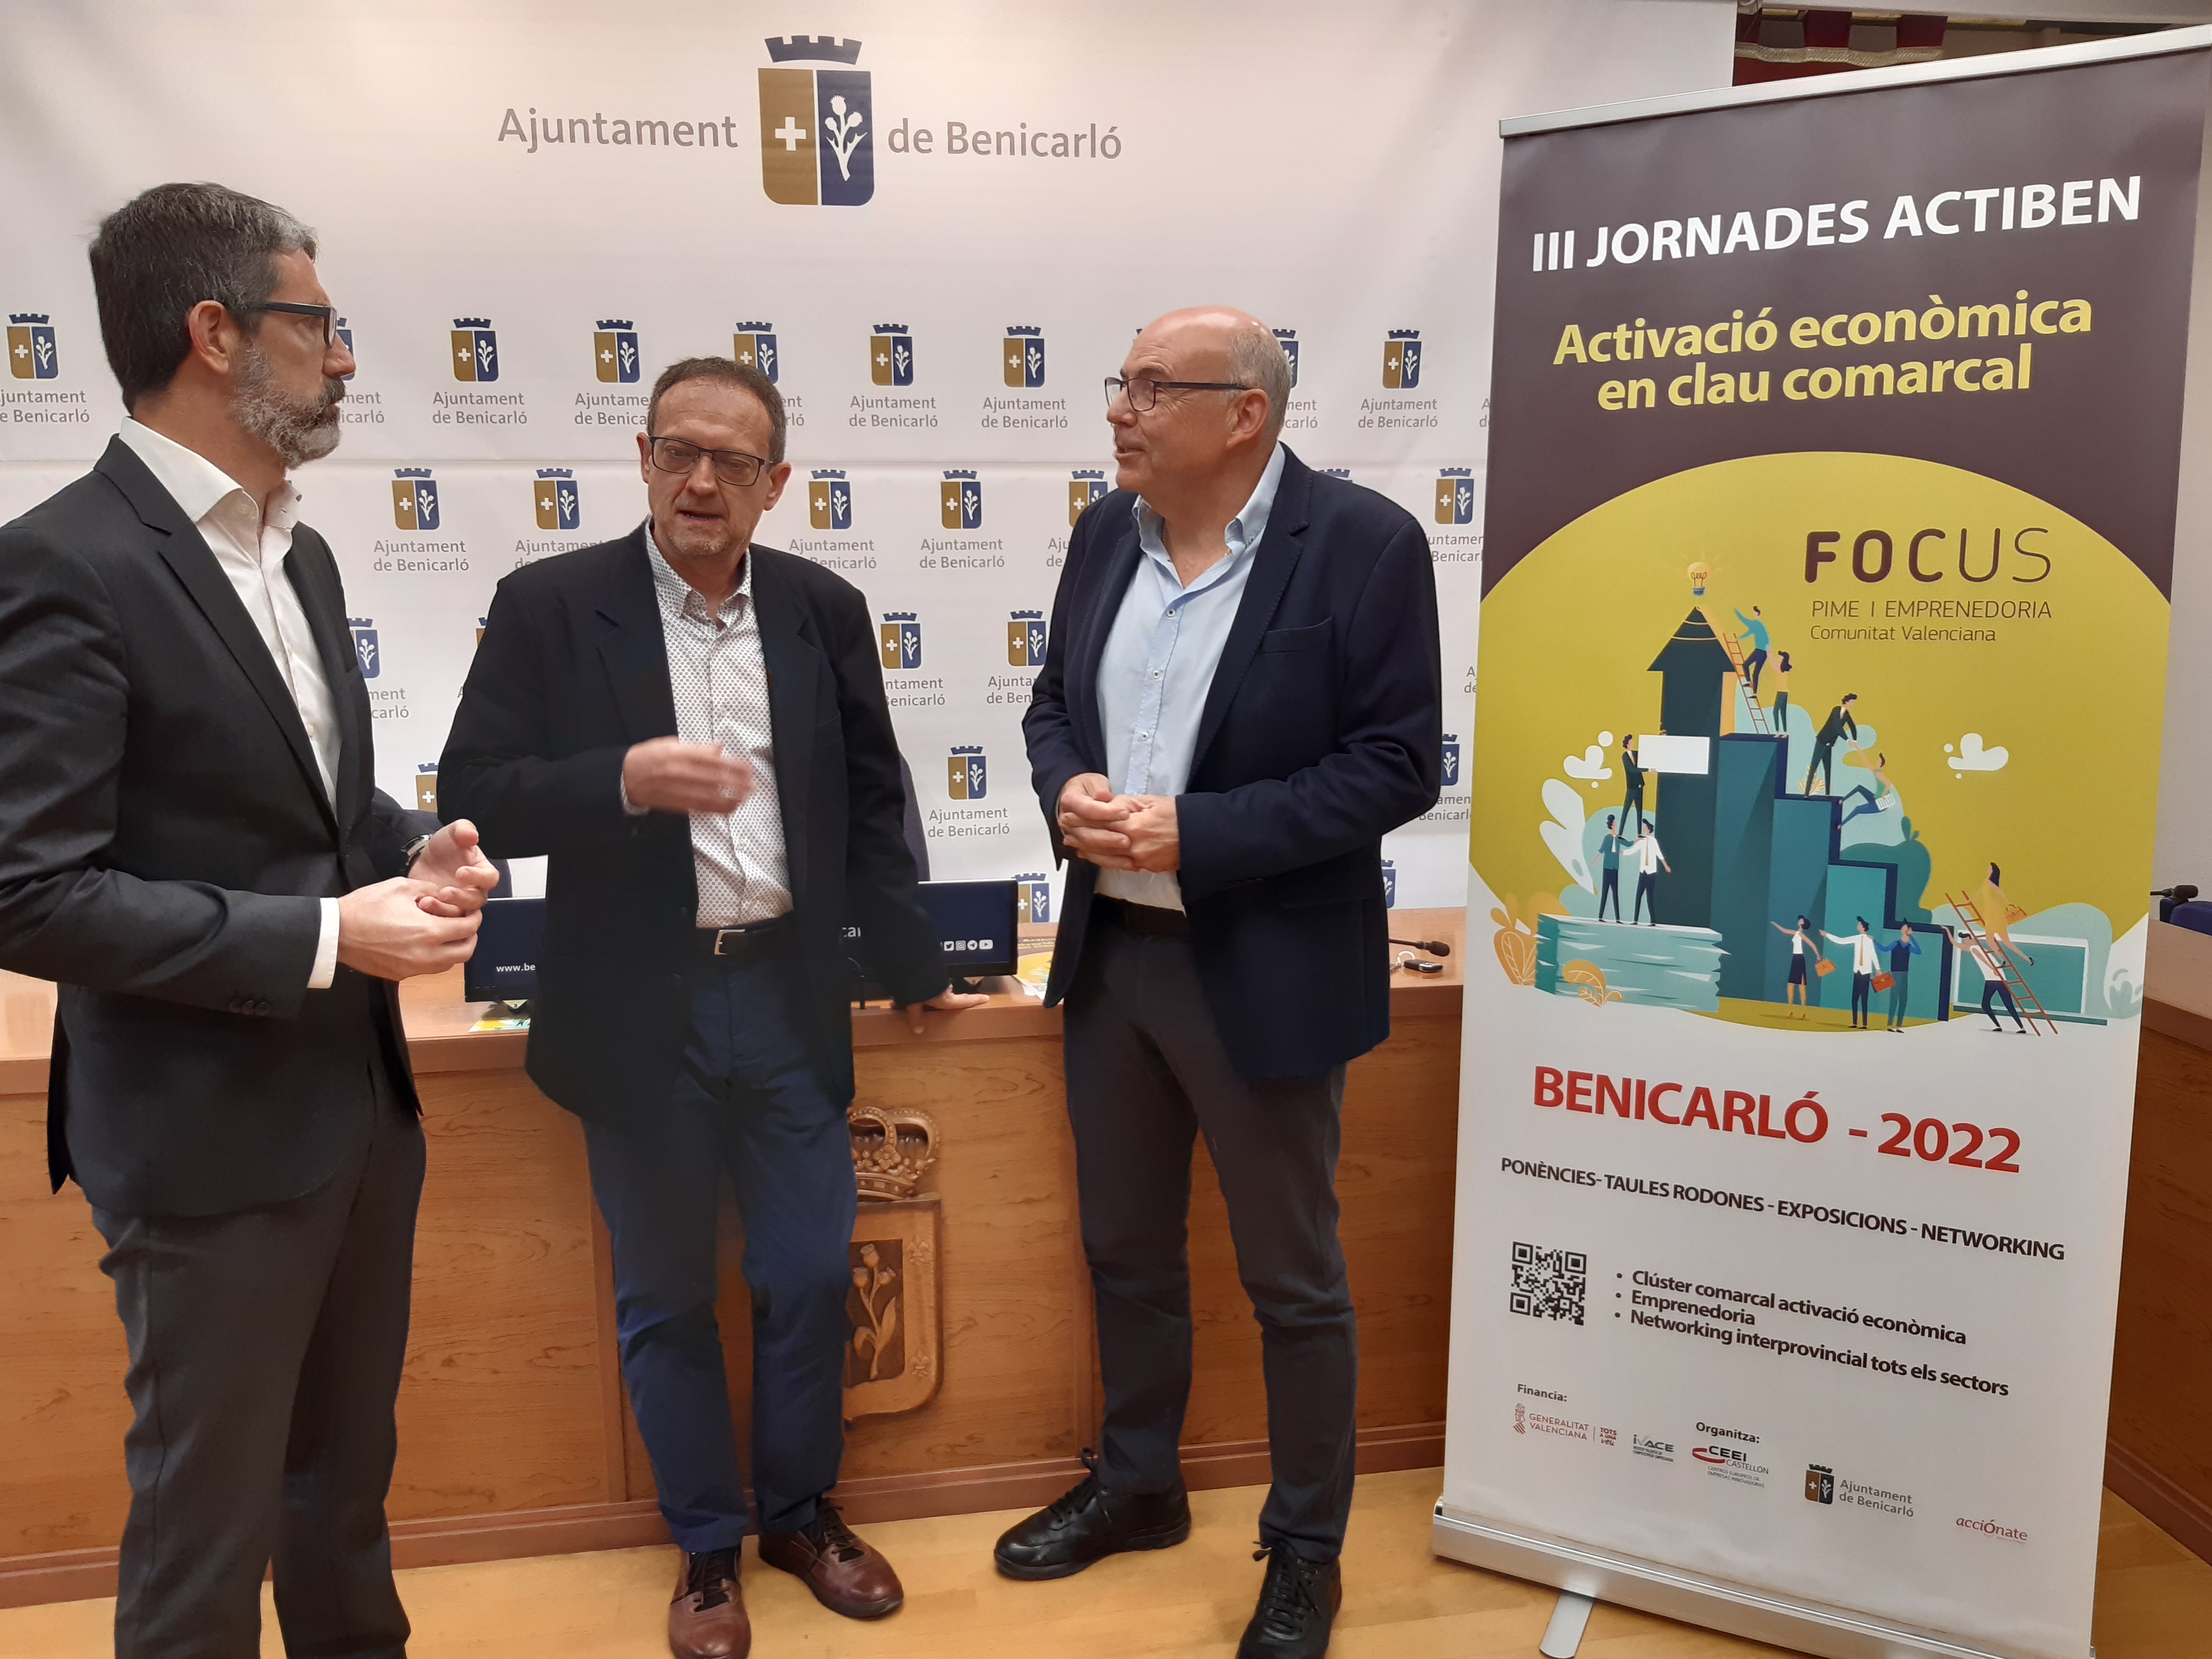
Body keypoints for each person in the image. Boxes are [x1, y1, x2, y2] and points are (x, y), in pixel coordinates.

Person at [0, 183, 496, 1659]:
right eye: (317, 324)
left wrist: (411, 851)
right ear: (215, 333)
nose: (344, 356)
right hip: (204, 1143)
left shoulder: (301, 551)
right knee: (204, 1552)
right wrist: (333, 938)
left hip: (358, 1115)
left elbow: (304, 810)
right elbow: (30, 889)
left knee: (342, 1509)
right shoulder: (66, 561)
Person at [439, 356, 985, 1659]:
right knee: (667, 1293)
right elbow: (476, 791)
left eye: (732, 463)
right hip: (640, 1010)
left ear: (774, 483)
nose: (701, 481)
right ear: (642, 457)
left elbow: (870, 798)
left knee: (810, 1272)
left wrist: (911, 958)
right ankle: (703, 1549)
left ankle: (798, 1515)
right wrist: (621, 779)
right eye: (678, 452)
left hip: (787, 995)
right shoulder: (550, 606)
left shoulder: (820, 609)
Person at [1014, 308, 1440, 1659]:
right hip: (1113, 963)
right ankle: (1139, 1484)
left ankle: (1306, 1549)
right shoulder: (1105, 533)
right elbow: (1050, 704)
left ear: (1243, 412)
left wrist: (1201, 832)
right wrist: (1068, 787)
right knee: (1125, 1249)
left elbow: (1395, 764)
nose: (1119, 409)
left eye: (1150, 387)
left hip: (1264, 969)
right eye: (1122, 382)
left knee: (1292, 1280)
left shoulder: (1365, 544)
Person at [1951, 925, 2031, 1032]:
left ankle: (2009, 1027)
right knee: (2000, 1004)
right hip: (1994, 979)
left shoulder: (1974, 948)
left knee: (1992, 1004)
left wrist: (1994, 969)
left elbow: (1983, 959)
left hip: (1994, 979)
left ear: (1969, 939)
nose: (1964, 941)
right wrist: (1947, 931)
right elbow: (1955, 944)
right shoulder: (1978, 948)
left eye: (1965, 939)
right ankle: (2014, 1027)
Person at [1823, 916, 1881, 1028]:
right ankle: (1855, 1022)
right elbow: (1841, 941)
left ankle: (1864, 1024)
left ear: (1863, 927)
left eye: (1860, 924)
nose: (1858, 926)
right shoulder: (1857, 938)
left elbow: (1873, 955)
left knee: (1864, 999)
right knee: (1855, 998)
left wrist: (1878, 968)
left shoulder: (1869, 940)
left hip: (1866, 972)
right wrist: (1828, 935)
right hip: (1857, 972)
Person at [1803, 693, 1859, 795]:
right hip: (1822, 741)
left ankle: (1827, 793)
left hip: (1830, 744)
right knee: (1814, 767)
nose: (1853, 704)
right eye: (1852, 702)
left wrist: (1855, 740)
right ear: (1847, 701)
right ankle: (1806, 793)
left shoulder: (1846, 714)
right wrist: (1848, 740)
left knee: (1828, 768)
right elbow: (1838, 727)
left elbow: (1852, 726)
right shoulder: (1836, 710)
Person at [1770, 915, 1814, 1015]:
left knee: (1801, 986)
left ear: (1803, 924)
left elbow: (1812, 944)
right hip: (1796, 959)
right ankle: (1791, 1011)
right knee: (1791, 985)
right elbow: (1784, 931)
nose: (1800, 920)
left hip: (1800, 960)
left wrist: (1818, 956)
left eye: (1801, 920)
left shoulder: (1800, 934)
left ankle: (1803, 1012)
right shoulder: (1797, 933)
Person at [1838, 752, 1894, 825]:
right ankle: (1843, 800)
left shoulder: (1880, 774)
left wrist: (1884, 794)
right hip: (1876, 799)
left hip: (1882, 804)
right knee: (1859, 788)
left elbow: (1888, 784)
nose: (1877, 761)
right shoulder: (1877, 772)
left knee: (1858, 809)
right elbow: (1867, 763)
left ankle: (1841, 825)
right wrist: (1858, 749)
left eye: (1879, 761)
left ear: (1881, 764)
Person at [1631, 819, 1671, 924]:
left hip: (1651, 873)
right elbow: (1634, 850)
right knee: (1639, 896)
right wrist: (1623, 852)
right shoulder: (1642, 841)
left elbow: (1659, 853)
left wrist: (1665, 865)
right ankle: (1635, 920)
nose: (1644, 828)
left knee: (1650, 897)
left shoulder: (1653, 841)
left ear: (1648, 829)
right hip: (1643, 872)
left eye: (1645, 827)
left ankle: (1652, 920)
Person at [1885, 921, 1922, 1031]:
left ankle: (1899, 1026)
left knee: (1903, 999)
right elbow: (1884, 949)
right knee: (1894, 999)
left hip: (1905, 974)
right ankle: (1890, 1025)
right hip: (1895, 974)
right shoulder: (1896, 943)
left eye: (1906, 928)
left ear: (1909, 930)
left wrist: (1912, 937)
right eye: (1903, 927)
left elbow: (1919, 951)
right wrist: (1874, 941)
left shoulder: (1909, 946)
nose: (1904, 929)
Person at [1597, 814, 1627, 921]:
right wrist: (1595, 861)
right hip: (1607, 868)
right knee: (1605, 892)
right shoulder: (1607, 838)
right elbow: (1602, 850)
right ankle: (1600, 916)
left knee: (1615, 893)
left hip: (1615, 868)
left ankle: (1617, 918)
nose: (1616, 823)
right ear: (1612, 825)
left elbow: (1628, 844)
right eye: (1614, 822)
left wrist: (1637, 841)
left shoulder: (1618, 838)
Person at [1733, 604, 1768, 694]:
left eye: (1755, 614)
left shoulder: (1756, 624)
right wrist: (1739, 638)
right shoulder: (1759, 626)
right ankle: (1755, 693)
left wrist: (1736, 610)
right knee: (1756, 673)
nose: (1754, 615)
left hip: (1760, 651)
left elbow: (1744, 620)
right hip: (1765, 653)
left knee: (1746, 665)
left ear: (1758, 615)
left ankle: (1749, 682)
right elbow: (1748, 633)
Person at [1620, 732, 1647, 832]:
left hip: (1639, 785)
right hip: (1632, 786)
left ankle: (1639, 833)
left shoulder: (1636, 754)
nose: (1632, 743)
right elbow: (1632, 769)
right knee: (1626, 809)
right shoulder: (1625, 756)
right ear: (1627, 743)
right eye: (1631, 742)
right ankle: (1620, 833)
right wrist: (1648, 770)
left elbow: (1645, 756)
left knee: (1639, 811)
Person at [1770, 649, 1792, 733]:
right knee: (1783, 712)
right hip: (1785, 692)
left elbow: (1772, 660)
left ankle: (1778, 731)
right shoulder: (1787, 670)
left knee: (1775, 712)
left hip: (1781, 692)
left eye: (1780, 658)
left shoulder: (1780, 670)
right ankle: (1785, 732)